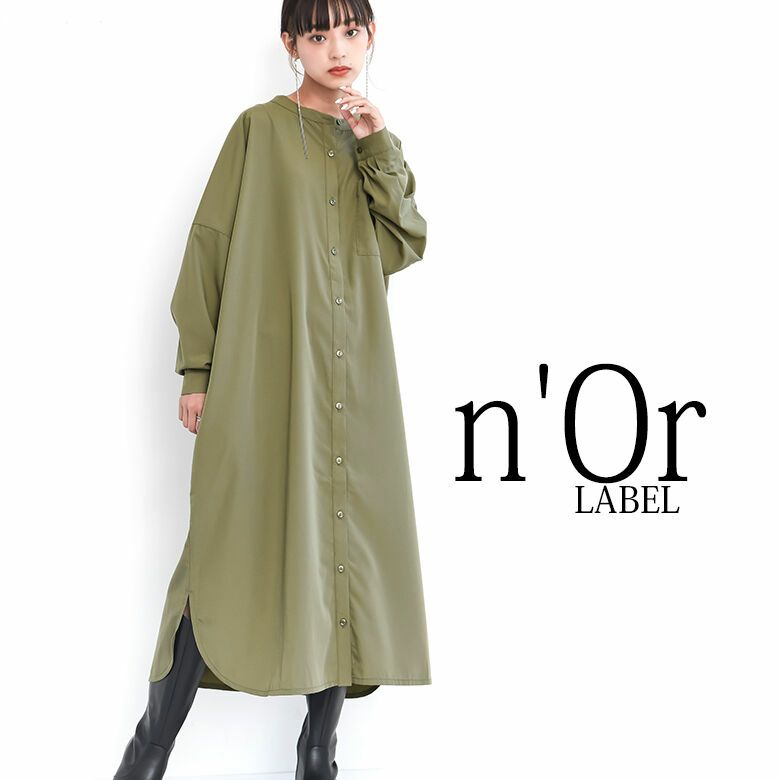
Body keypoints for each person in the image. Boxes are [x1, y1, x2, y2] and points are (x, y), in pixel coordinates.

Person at [113, 1, 431, 778]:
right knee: (218, 551)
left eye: (349, 31)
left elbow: (403, 243)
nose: (336, 48)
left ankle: (318, 751)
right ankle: (149, 749)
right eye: (317, 34)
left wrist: (376, 144)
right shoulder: (257, 130)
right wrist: (198, 371)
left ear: (371, 36)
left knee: (339, 546)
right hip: (260, 377)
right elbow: (210, 246)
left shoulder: (370, 142)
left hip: (352, 378)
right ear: (290, 44)